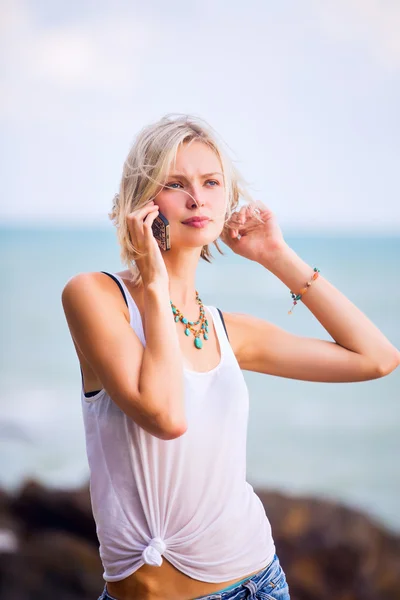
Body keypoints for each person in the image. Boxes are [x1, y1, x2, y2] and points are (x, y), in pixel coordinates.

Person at [61, 113, 400, 600]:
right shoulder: (95, 296)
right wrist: (155, 285)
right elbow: (165, 415)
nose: (198, 199)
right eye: (175, 184)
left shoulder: (225, 330)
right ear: (143, 200)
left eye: (212, 182)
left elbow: (377, 358)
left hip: (258, 583)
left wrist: (276, 256)